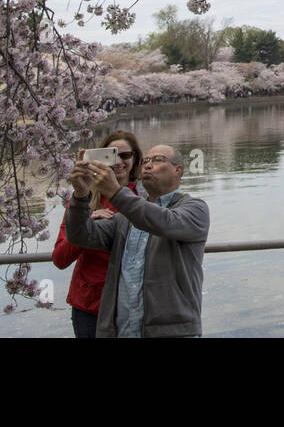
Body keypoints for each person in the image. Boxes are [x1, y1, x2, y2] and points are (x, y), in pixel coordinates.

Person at [66, 144, 210, 337]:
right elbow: (80, 234)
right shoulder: (124, 218)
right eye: (145, 161)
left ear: (178, 170)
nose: (148, 166)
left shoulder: (194, 209)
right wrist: (81, 194)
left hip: (172, 332)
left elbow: (162, 221)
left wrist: (116, 192)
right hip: (122, 331)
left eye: (158, 160)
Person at [52, 130, 143, 338]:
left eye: (126, 155)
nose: (119, 162)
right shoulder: (83, 201)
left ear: (136, 159)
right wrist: (86, 225)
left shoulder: (145, 197)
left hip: (133, 302)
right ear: (99, 159)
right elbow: (59, 258)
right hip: (92, 304)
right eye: (111, 155)